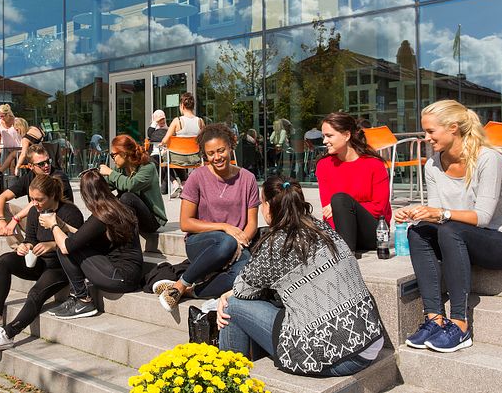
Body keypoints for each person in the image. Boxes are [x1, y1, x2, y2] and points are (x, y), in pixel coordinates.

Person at [217, 177, 384, 376]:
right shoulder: (321, 228)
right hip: (370, 340)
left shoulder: (277, 243)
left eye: (262, 203)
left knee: (231, 306)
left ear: (269, 206)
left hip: (338, 356)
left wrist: (226, 296)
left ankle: (228, 379)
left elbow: (242, 291)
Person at [395, 100, 502, 353]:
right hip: (459, 239)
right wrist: (417, 213)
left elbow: (483, 217)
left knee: (450, 228)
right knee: (418, 231)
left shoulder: (489, 159)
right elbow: (436, 216)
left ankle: (460, 324)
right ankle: (434, 319)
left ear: (453, 128)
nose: (426, 138)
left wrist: (440, 213)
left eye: (430, 131)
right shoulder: (433, 165)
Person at [156, 124, 260, 312]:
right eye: (211, 153)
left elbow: (252, 222)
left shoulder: (248, 178)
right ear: (205, 154)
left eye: (221, 150)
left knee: (243, 278)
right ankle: (181, 284)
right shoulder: (197, 177)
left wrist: (241, 243)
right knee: (226, 241)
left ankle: (189, 291)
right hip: (202, 243)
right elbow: (186, 223)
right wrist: (224, 227)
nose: (217, 157)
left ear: (230, 147)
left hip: (237, 244)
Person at [0, 174, 84, 350]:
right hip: (39, 262)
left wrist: (52, 244)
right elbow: (31, 238)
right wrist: (25, 246)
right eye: (32, 199)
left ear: (53, 196)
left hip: (61, 267)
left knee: (35, 294)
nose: (35, 203)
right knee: (4, 261)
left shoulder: (70, 212)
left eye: (39, 200)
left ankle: (8, 334)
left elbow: (77, 243)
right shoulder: (34, 211)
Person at [43, 168, 143, 319]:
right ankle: (78, 297)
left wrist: (53, 225)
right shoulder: (114, 208)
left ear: (85, 195)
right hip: (127, 275)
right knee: (69, 240)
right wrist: (63, 225)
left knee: (63, 246)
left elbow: (67, 246)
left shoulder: (101, 217)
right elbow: (82, 236)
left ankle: (83, 300)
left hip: (119, 278)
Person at [316, 112, 391, 253]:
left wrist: (345, 207)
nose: (324, 141)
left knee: (339, 200)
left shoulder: (374, 165)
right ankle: (346, 250)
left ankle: (345, 255)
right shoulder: (323, 165)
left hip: (373, 233)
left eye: (329, 136)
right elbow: (328, 211)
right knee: (338, 203)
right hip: (341, 231)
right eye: (323, 136)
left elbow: (380, 209)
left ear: (346, 135)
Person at [0, 145, 74, 248]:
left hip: (58, 223)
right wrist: (0, 220)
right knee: (5, 208)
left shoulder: (58, 177)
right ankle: (20, 248)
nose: (46, 166)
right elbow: (1, 197)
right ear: (31, 166)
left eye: (48, 161)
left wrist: (16, 218)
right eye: (41, 164)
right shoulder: (29, 177)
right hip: (37, 221)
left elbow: (38, 202)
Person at [99, 134, 167, 233]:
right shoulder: (120, 169)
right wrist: (94, 179)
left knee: (127, 197)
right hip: (132, 217)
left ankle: (130, 244)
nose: (113, 159)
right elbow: (106, 186)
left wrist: (110, 173)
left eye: (113, 155)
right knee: (106, 198)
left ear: (124, 154)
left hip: (151, 220)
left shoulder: (148, 167)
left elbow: (131, 185)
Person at [160, 92, 204, 198]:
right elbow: (204, 140)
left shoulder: (177, 121)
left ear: (182, 106)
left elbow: (165, 140)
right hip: (195, 158)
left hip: (178, 158)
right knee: (176, 157)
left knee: (165, 158)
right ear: (193, 106)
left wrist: (162, 146)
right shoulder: (200, 121)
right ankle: (184, 184)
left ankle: (175, 183)